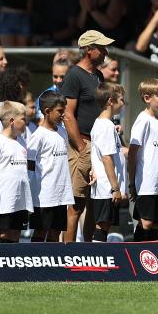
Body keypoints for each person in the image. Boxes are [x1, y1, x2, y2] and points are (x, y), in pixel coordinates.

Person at [61, 30, 113, 243]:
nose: (105, 52)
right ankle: (68, 255)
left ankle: (88, 253)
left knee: (95, 201)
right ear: (88, 50)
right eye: (101, 48)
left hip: (98, 145)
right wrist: (82, 147)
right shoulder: (74, 75)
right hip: (82, 143)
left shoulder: (98, 76)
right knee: (76, 204)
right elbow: (67, 115)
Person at [127, 79, 158, 244]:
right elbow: (132, 154)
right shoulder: (142, 120)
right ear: (147, 98)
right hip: (146, 183)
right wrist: (132, 183)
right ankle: (135, 261)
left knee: (157, 225)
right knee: (146, 222)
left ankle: (151, 265)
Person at [26, 91, 71, 243]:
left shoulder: (62, 132)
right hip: (44, 195)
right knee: (40, 230)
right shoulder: (38, 136)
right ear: (47, 111)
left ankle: (52, 265)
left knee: (55, 232)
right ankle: (35, 264)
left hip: (61, 193)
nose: (63, 115)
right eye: (59, 111)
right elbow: (29, 166)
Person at [0, 101, 32, 243]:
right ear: (12, 121)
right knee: (2, 232)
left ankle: (13, 264)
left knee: (15, 233)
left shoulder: (22, 141)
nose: (26, 123)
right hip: (4, 199)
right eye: (23, 119)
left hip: (20, 199)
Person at [90, 83, 127, 243]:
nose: (123, 103)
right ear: (111, 101)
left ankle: (99, 261)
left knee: (105, 225)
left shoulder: (107, 125)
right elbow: (106, 158)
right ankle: (96, 262)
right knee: (102, 225)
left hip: (108, 187)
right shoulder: (105, 126)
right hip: (107, 187)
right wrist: (115, 188)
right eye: (121, 99)